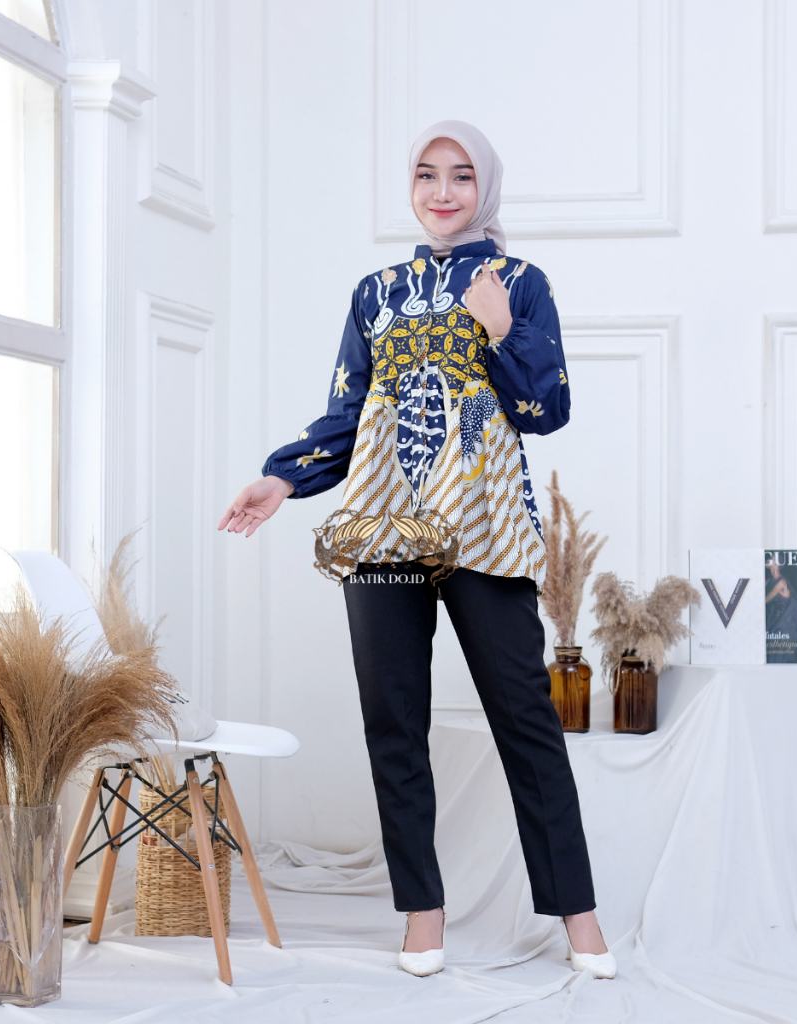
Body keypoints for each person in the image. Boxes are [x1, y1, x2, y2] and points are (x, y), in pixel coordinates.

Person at [219, 121, 615, 980]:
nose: (442, 192)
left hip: (485, 526)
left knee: (526, 719)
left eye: (462, 175)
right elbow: (348, 410)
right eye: (427, 175)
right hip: (382, 525)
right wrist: (283, 478)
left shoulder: (519, 282)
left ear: (486, 187)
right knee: (394, 720)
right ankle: (422, 913)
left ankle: (579, 917)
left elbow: (546, 410)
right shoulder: (376, 292)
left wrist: (501, 332)